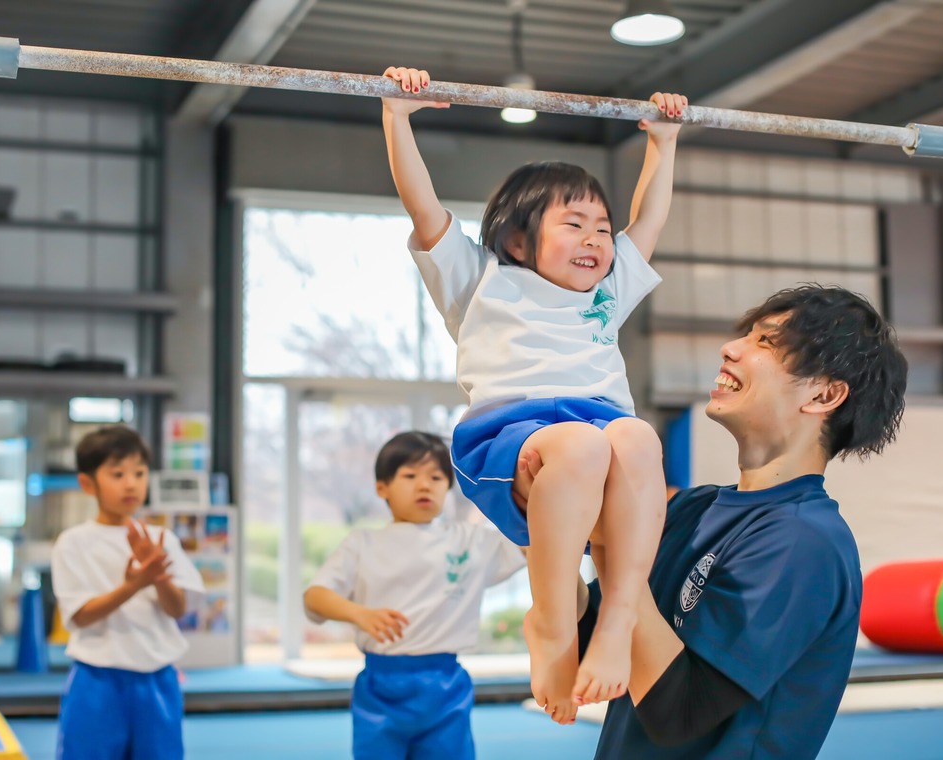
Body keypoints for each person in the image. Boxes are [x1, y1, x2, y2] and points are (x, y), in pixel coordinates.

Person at [381, 65, 686, 723]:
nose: (596, 239)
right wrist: (397, 119)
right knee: (580, 444)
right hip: (509, 437)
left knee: (635, 435)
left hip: (600, 443)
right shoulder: (480, 279)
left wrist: (663, 144)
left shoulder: (607, 293)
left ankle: (612, 620)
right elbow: (423, 207)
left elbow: (651, 217)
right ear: (518, 238)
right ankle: (553, 621)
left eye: (602, 228)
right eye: (574, 224)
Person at [547, 285, 907, 759]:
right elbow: (591, 645)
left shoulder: (803, 543)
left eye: (766, 342)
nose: (730, 347)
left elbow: (678, 713)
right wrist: (539, 525)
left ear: (824, 393)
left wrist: (616, 544)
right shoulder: (689, 510)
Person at [304, 431, 527, 760]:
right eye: (410, 476)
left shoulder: (471, 541)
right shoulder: (362, 543)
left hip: (446, 686)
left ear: (448, 488)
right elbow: (314, 597)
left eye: (436, 477)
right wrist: (359, 613)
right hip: (381, 687)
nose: (424, 485)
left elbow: (533, 539)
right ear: (383, 487)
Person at [51, 426, 204, 760]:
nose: (131, 483)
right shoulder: (74, 542)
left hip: (158, 679)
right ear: (88, 484)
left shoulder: (161, 539)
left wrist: (158, 576)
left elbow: (178, 609)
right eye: (117, 474)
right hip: (98, 680)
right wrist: (133, 585)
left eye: (139, 472)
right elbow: (80, 614)